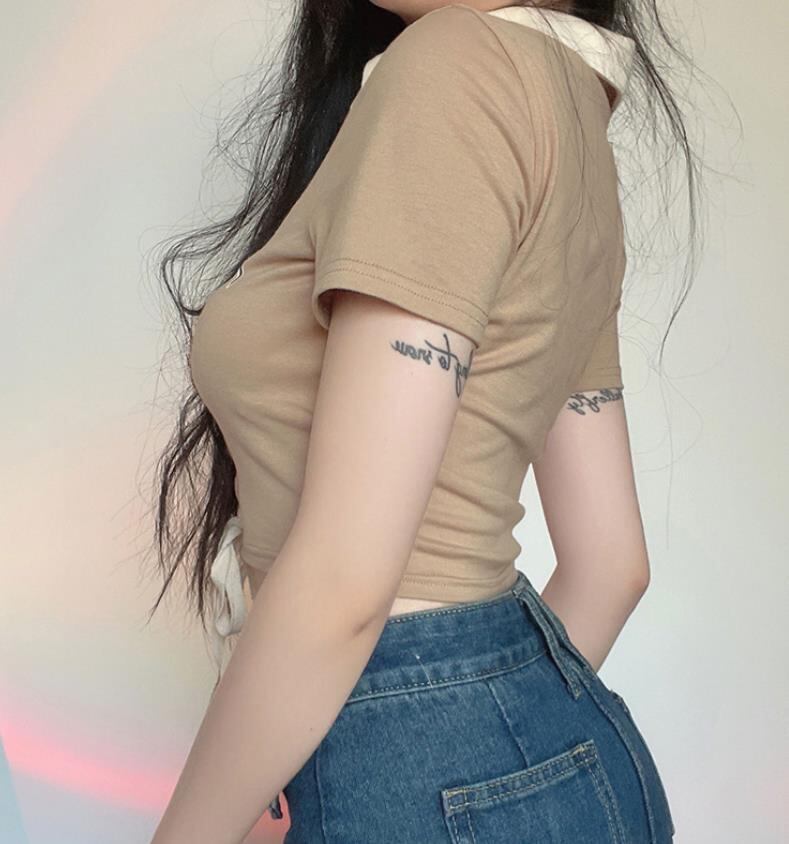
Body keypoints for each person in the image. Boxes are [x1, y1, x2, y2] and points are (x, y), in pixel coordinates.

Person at [147, 2, 700, 841]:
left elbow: (345, 582)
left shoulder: (457, 63)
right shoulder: (571, 113)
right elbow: (611, 566)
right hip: (571, 767)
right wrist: (495, 759)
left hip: (393, 743)